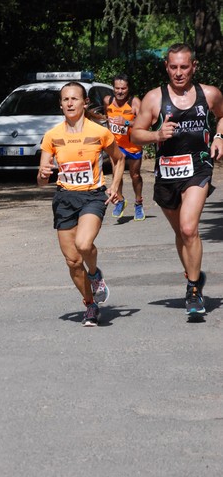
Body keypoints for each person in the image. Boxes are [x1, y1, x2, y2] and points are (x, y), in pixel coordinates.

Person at [131, 42, 223, 317]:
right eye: (174, 67)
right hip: (167, 172)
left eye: (184, 67)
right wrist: (156, 135)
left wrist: (219, 137)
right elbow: (136, 133)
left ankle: (193, 290)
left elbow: (222, 117)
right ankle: (193, 273)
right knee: (180, 234)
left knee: (188, 229)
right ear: (166, 67)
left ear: (194, 66)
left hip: (198, 166)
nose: (179, 73)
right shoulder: (154, 99)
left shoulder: (210, 94)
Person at [37, 81, 125, 327]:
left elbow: (119, 159)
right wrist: (43, 175)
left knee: (84, 244)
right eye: (65, 99)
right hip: (65, 198)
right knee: (73, 262)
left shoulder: (99, 132)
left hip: (92, 196)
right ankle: (90, 305)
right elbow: (41, 180)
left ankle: (95, 275)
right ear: (61, 105)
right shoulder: (52, 136)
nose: (70, 103)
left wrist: (115, 186)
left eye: (74, 99)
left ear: (84, 103)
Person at [103, 74, 144, 220]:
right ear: (113, 88)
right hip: (117, 145)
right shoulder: (108, 101)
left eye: (123, 88)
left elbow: (143, 123)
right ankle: (120, 200)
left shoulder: (135, 102)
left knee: (135, 176)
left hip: (133, 145)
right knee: (117, 174)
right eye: (117, 88)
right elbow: (107, 119)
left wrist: (126, 123)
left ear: (128, 89)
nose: (120, 91)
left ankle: (138, 202)